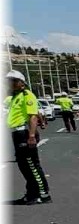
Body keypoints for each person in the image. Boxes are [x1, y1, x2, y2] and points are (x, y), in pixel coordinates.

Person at [6, 71, 51, 204]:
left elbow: (32, 116)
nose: (11, 83)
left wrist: (31, 136)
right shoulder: (15, 96)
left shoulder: (27, 95)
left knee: (32, 165)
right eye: (9, 81)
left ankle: (43, 194)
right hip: (17, 133)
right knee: (24, 166)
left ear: (22, 83)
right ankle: (31, 194)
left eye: (14, 81)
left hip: (25, 133)